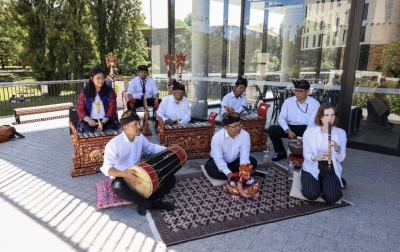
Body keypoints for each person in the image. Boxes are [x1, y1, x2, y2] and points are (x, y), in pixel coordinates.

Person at [100, 110, 176, 215]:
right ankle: (153, 204)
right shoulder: (114, 144)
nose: (139, 127)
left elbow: (151, 147)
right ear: (125, 127)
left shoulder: (139, 137)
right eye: (135, 124)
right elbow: (106, 168)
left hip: (140, 172)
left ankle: (142, 202)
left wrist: (168, 150)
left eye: (138, 123)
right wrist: (125, 174)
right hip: (122, 175)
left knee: (171, 179)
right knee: (117, 187)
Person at [301, 103, 346, 204]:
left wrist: (338, 149)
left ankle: (325, 184)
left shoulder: (341, 133)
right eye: (327, 115)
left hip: (330, 168)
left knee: (333, 198)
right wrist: (317, 157)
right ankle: (316, 183)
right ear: (320, 117)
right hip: (312, 166)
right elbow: (307, 155)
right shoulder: (310, 132)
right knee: (311, 195)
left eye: (333, 115)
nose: (330, 118)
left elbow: (341, 159)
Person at [267, 79, 320, 161]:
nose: (297, 93)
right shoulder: (288, 102)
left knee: (317, 130)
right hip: (291, 127)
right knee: (272, 129)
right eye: (295, 90)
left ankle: (309, 153)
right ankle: (281, 152)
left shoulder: (315, 104)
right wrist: (288, 130)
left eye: (300, 91)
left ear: (307, 91)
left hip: (306, 128)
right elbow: (281, 118)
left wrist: (306, 135)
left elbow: (312, 122)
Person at [204, 106, 257, 182]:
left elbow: (244, 155)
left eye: (239, 125)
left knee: (253, 162)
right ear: (225, 127)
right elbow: (218, 158)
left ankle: (236, 175)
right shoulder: (217, 137)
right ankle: (233, 174)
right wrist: (228, 173)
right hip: (219, 161)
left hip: (235, 162)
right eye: (234, 126)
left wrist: (244, 169)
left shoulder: (245, 135)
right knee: (211, 169)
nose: (238, 128)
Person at [77, 68, 119, 133]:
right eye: (98, 78)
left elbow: (112, 109)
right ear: (92, 79)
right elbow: (80, 109)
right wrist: (89, 120)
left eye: (102, 78)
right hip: (90, 121)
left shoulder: (109, 91)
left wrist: (102, 122)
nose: (101, 80)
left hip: (107, 120)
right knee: (89, 134)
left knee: (110, 133)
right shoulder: (85, 92)